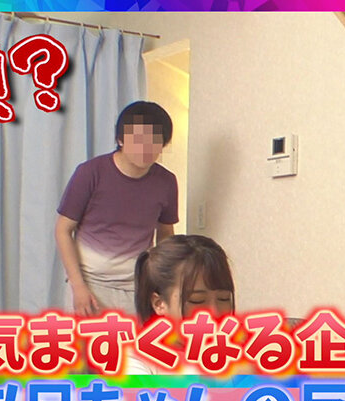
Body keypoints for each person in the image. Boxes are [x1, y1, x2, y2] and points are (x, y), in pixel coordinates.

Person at [55, 101, 178, 317]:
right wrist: (78, 286)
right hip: (90, 284)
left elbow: (166, 234)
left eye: (154, 141)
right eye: (138, 140)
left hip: (139, 285)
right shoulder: (90, 173)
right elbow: (63, 230)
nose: (145, 148)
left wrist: (164, 282)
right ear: (120, 139)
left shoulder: (166, 182)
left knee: (137, 341)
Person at [126, 234, 236, 375]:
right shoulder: (136, 360)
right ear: (159, 303)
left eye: (223, 298)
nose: (214, 312)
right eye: (197, 300)